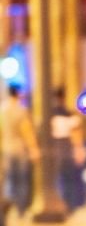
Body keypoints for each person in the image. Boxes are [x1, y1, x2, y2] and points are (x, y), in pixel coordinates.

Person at [0, 84, 40, 216]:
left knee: (9, 180)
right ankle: (21, 210)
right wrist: (33, 149)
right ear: (17, 94)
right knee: (21, 180)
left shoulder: (2, 110)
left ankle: (8, 207)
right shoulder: (21, 111)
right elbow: (26, 131)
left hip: (6, 149)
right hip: (20, 150)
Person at [51, 87, 86, 212]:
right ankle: (70, 205)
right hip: (67, 148)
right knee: (69, 179)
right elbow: (76, 135)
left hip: (56, 149)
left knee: (60, 179)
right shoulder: (70, 115)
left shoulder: (51, 116)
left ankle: (65, 204)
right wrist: (79, 150)